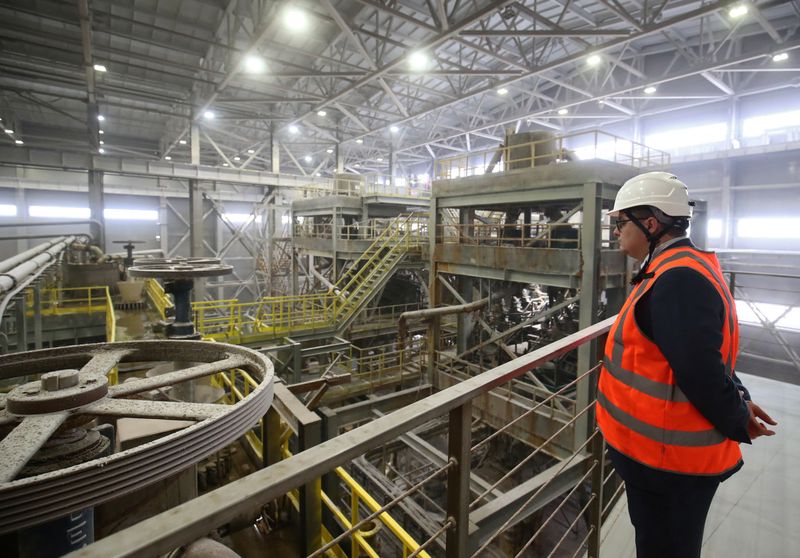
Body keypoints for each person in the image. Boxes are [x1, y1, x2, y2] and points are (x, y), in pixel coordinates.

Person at [595, 171, 777, 558]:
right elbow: (704, 351)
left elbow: (701, 373)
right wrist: (740, 395)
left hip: (665, 461)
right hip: (659, 454)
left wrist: (737, 413)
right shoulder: (685, 265)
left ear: (650, 223)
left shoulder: (677, 279)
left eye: (619, 223)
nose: (615, 233)